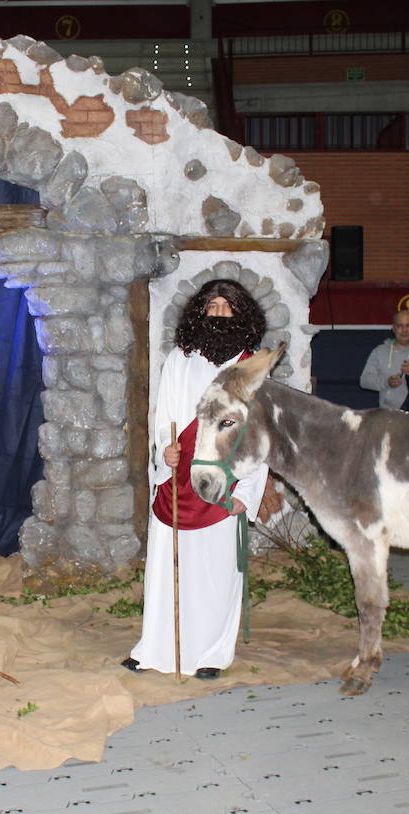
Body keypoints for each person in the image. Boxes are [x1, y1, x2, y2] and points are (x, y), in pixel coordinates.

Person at [123, 279, 269, 679]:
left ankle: (211, 653)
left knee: (214, 570)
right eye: (212, 305)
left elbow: (258, 436)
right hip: (178, 477)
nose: (219, 313)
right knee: (168, 568)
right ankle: (154, 647)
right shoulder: (178, 360)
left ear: (242, 315)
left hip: (225, 481)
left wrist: (249, 492)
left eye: (227, 306)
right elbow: (163, 419)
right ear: (199, 312)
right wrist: (164, 453)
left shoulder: (251, 367)